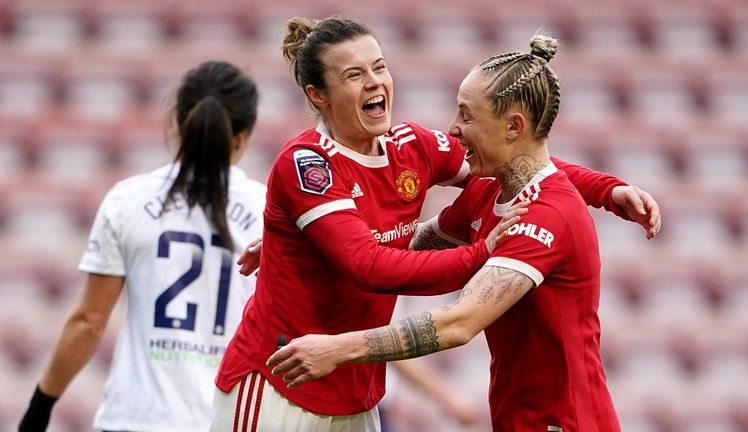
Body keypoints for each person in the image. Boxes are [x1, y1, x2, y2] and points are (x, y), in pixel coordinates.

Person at [214, 16, 659, 432]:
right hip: (281, 378)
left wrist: (603, 189)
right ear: (318, 95)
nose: (375, 82)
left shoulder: (414, 148)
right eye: (354, 75)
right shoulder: (309, 164)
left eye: (380, 67)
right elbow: (368, 264)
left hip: (354, 388)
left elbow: (521, 164)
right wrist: (481, 253)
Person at [18, 61, 266, 432]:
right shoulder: (270, 211)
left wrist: (39, 409)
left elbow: (88, 322)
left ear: (177, 124)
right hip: (228, 419)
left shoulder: (129, 200)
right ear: (242, 138)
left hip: (137, 417)